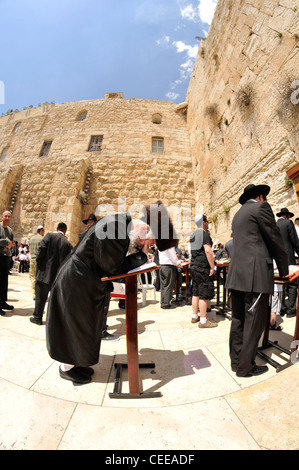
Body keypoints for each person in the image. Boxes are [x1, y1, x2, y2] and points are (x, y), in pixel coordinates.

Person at [46, 201, 178, 385]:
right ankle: (66, 368)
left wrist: (139, 251)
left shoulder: (120, 227)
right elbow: (112, 267)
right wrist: (140, 255)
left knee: (83, 326)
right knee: (75, 325)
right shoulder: (115, 227)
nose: (141, 245)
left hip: (83, 281)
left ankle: (76, 362)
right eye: (144, 241)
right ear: (145, 228)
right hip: (77, 282)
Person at [226, 184, 289, 377]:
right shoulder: (261, 208)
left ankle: (236, 362)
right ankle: (246, 368)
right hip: (255, 276)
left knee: (238, 320)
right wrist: (285, 269)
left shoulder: (238, 215)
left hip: (236, 275)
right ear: (261, 196)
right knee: (254, 322)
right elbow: (274, 238)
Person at [29, 223, 73, 325]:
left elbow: (41, 251)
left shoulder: (49, 236)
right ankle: (52, 322)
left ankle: (37, 317)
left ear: (57, 228)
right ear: (65, 230)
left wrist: (39, 266)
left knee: (40, 297)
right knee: (55, 301)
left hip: (44, 274)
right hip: (57, 278)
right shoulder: (68, 244)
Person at [189, 214, 217, 328]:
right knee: (204, 294)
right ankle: (203, 321)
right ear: (203, 222)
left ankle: (195, 316)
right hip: (202, 267)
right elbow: (208, 251)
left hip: (194, 266)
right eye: (207, 221)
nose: (208, 224)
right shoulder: (204, 234)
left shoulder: (193, 235)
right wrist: (212, 266)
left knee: (196, 292)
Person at [276, 208, 299, 318]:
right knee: (292, 283)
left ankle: (282, 308)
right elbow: (295, 241)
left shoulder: (274, 224)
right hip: (288, 256)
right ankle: (291, 310)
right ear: (287, 216)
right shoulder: (288, 223)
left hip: (277, 258)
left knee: (281, 282)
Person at [0, 211, 14, 315]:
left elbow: (11, 241)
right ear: (2, 217)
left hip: (5, 256)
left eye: (9, 216)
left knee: (4, 280)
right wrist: (5, 242)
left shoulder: (10, 230)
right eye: (6, 216)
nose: (7, 218)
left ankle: (2, 302)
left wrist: (11, 245)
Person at [29, 225, 45, 299]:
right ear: (41, 231)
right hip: (39, 261)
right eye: (43, 231)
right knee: (39, 278)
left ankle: (33, 293)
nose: (44, 232)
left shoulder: (31, 239)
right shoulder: (42, 239)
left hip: (32, 260)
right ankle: (38, 293)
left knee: (32, 277)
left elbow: (29, 250)